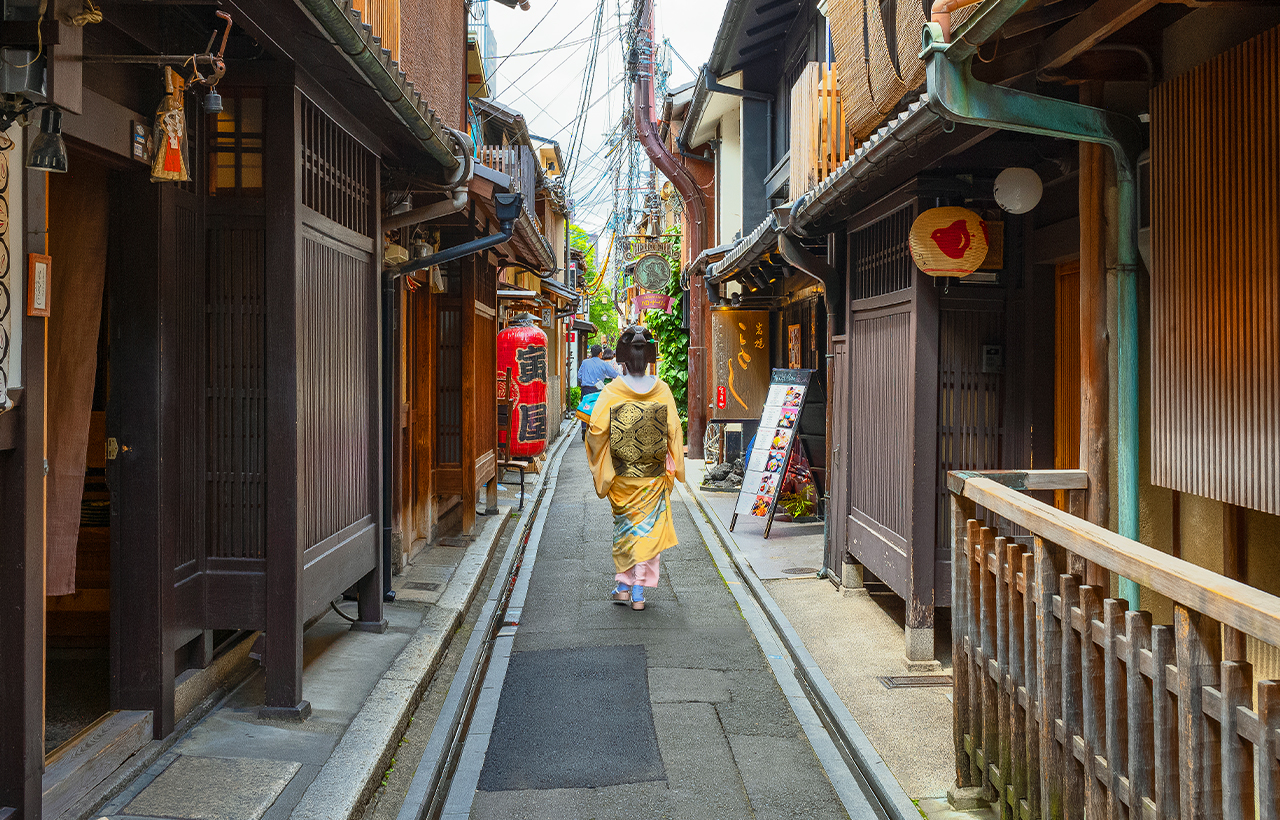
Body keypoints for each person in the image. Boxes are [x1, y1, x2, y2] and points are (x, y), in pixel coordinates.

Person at [584, 325, 685, 611]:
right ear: (650, 357)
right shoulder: (662, 389)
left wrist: (604, 459)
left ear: (622, 359)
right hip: (652, 477)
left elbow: (596, 431)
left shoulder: (612, 391)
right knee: (649, 530)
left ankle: (623, 586)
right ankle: (639, 590)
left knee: (626, 528)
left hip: (622, 475)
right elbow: (674, 431)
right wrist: (674, 465)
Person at [576, 344, 616, 439]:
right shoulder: (603, 364)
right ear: (600, 354)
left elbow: (579, 376)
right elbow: (614, 374)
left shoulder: (585, 362)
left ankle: (584, 428)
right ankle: (595, 429)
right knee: (597, 409)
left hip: (586, 388)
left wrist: (585, 380)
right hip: (598, 389)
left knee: (585, 408)